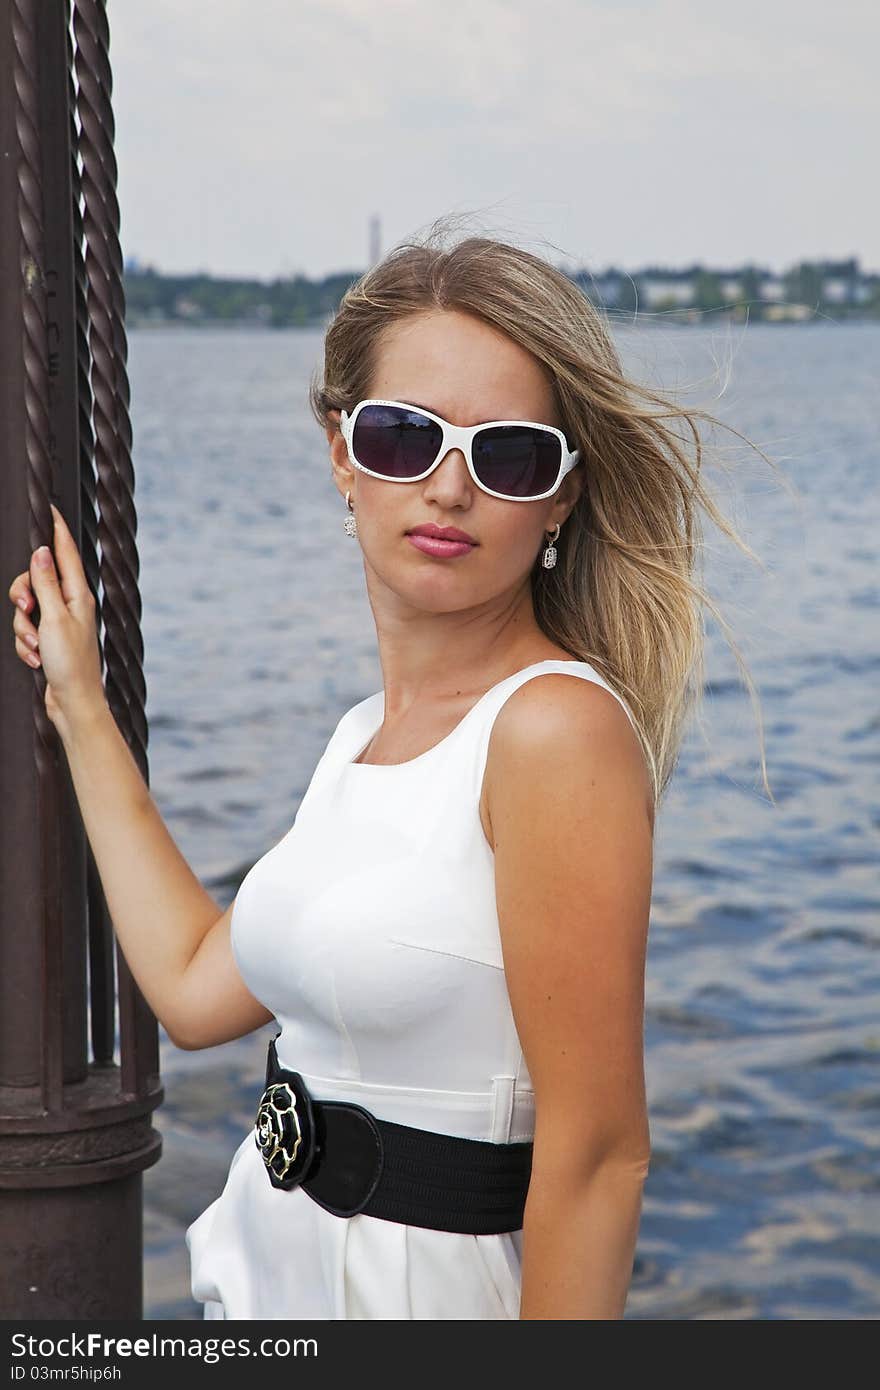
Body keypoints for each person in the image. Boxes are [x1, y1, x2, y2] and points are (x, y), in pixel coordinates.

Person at [6, 227, 768, 1320]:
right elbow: (188, 984)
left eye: (505, 454)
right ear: (341, 456)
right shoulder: (363, 736)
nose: (449, 487)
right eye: (405, 436)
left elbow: (598, 1159)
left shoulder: (552, 732)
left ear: (557, 497)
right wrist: (81, 704)